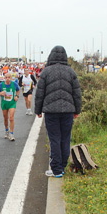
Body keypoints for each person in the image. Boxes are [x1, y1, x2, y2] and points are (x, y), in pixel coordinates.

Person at [34, 46, 82, 178]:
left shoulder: (46, 72)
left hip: (51, 111)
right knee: (65, 138)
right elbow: (77, 93)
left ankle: (56, 169)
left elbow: (39, 93)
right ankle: (61, 167)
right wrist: (77, 110)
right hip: (68, 110)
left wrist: (38, 110)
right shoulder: (71, 72)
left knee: (54, 139)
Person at [0, 72, 20, 141]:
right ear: (4, 78)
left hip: (12, 103)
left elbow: (18, 90)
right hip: (4, 103)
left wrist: (17, 96)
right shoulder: (1, 85)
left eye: (9, 77)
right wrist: (0, 93)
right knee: (5, 118)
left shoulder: (14, 84)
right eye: (6, 77)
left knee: (11, 118)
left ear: (11, 78)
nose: (7, 79)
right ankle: (6, 130)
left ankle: (11, 133)